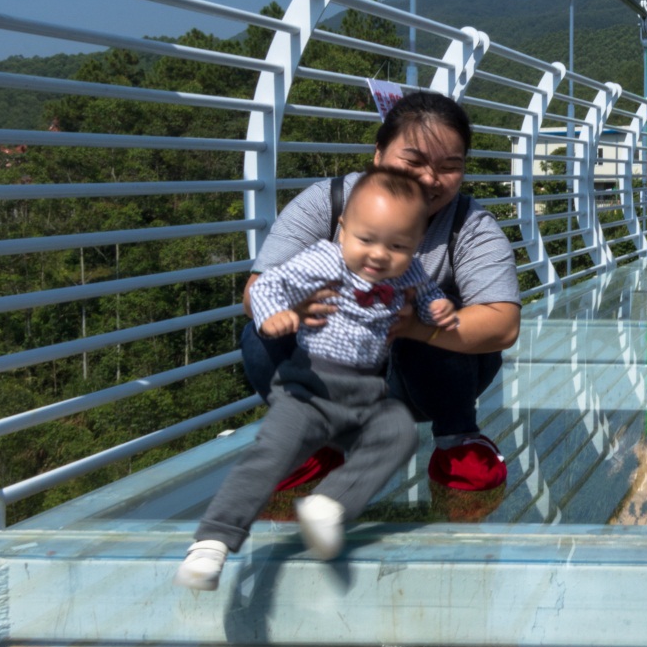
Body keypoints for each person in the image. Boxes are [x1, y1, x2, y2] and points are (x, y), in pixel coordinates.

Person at [175, 168, 460, 589]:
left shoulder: (408, 272)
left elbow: (428, 293)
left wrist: (437, 308)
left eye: (397, 246)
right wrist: (277, 316)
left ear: (415, 245)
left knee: (400, 433)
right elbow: (270, 284)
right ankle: (212, 541)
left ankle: (328, 505)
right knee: (270, 456)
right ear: (343, 229)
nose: (379, 255)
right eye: (366, 239)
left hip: (366, 394)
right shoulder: (324, 259)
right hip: (310, 389)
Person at [240, 91, 522, 493]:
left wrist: (414, 327)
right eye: (414, 161)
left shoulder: (469, 224)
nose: (429, 178)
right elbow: (255, 294)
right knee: (259, 335)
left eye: (449, 167)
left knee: (437, 309)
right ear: (378, 154)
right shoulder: (328, 201)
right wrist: (304, 308)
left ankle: (457, 439)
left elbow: (504, 323)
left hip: (424, 386)